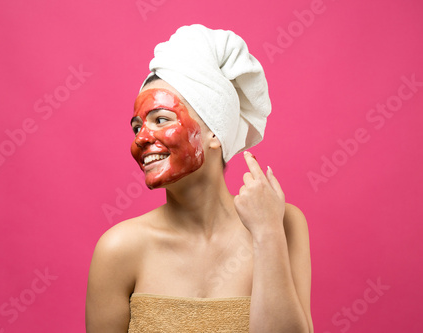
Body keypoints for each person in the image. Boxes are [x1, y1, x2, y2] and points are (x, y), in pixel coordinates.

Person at [86, 24, 313, 332]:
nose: (141, 138)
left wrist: (266, 233)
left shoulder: (283, 224)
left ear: (214, 132)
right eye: (137, 126)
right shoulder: (119, 249)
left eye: (161, 119)